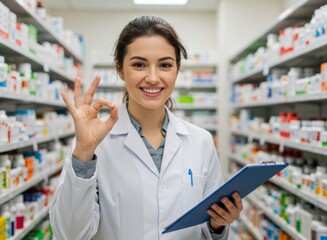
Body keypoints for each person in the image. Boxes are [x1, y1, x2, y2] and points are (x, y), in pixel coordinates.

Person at [49, 16, 243, 240]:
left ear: (177, 70)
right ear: (120, 69)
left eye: (165, 65)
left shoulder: (201, 141)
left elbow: (207, 229)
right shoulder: (93, 144)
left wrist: (217, 226)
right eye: (139, 65)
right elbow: (69, 235)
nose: (153, 78)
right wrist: (83, 152)